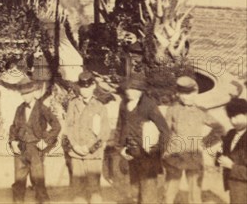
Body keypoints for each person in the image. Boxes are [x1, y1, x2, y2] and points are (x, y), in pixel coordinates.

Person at [163, 75, 224, 204]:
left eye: (189, 93)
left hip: (193, 155)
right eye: (182, 93)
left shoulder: (200, 111)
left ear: (195, 92)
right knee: (169, 192)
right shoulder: (172, 110)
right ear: (178, 94)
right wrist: (163, 152)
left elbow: (219, 128)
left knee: (195, 194)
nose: (185, 97)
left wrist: (205, 143)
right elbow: (165, 132)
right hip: (175, 156)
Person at [115, 74, 170, 204]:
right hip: (130, 154)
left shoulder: (149, 105)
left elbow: (165, 130)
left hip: (147, 156)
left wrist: (156, 150)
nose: (130, 92)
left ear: (141, 91)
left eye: (134, 89)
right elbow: (120, 127)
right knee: (134, 191)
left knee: (148, 193)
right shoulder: (124, 104)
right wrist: (120, 148)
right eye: (128, 88)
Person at [8, 78, 60, 204]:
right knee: (19, 181)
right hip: (21, 148)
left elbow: (56, 126)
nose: (25, 97)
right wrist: (13, 141)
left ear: (33, 93)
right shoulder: (19, 108)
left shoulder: (42, 108)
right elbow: (14, 127)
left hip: (36, 148)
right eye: (23, 94)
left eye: (27, 93)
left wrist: (46, 141)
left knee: (38, 180)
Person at [62, 70, 110, 204]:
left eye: (87, 87)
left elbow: (104, 132)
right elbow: (68, 127)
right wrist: (76, 146)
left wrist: (89, 148)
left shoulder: (100, 106)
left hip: (93, 153)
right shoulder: (73, 104)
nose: (84, 91)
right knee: (78, 189)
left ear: (94, 86)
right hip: (76, 153)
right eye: (82, 87)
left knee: (94, 188)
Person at [218, 97, 247, 204]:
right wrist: (219, 157)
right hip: (234, 186)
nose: (233, 121)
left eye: (236, 116)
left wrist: (231, 166)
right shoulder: (231, 133)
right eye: (230, 117)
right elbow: (225, 153)